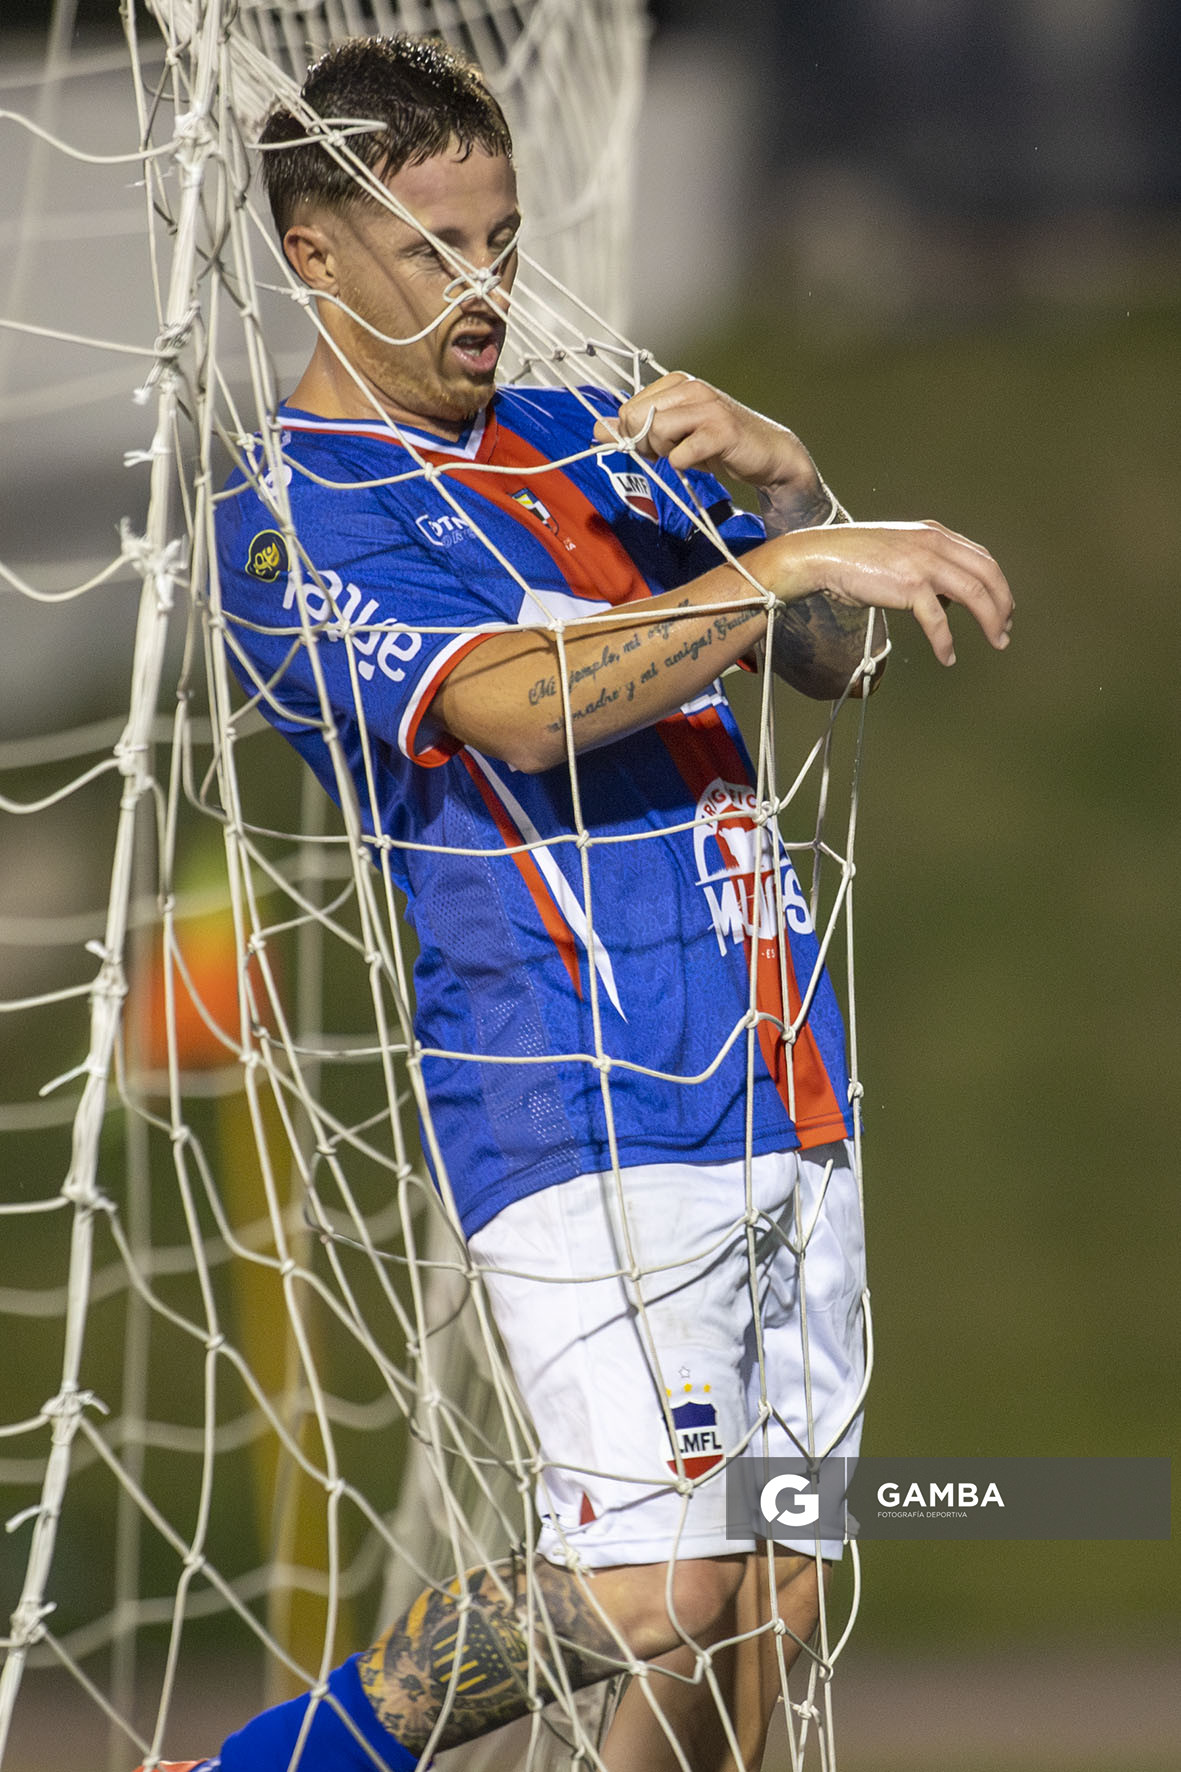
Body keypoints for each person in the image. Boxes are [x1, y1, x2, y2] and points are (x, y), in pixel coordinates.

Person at [156, 32, 1013, 1772]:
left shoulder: (584, 440)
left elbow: (824, 660)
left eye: (505, 239)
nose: (487, 288)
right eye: (436, 247)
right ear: (314, 254)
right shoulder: (293, 519)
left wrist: (784, 495)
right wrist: (780, 563)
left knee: (765, 1594)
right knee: (652, 1590)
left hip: (777, 1064)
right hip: (579, 1102)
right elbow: (510, 709)